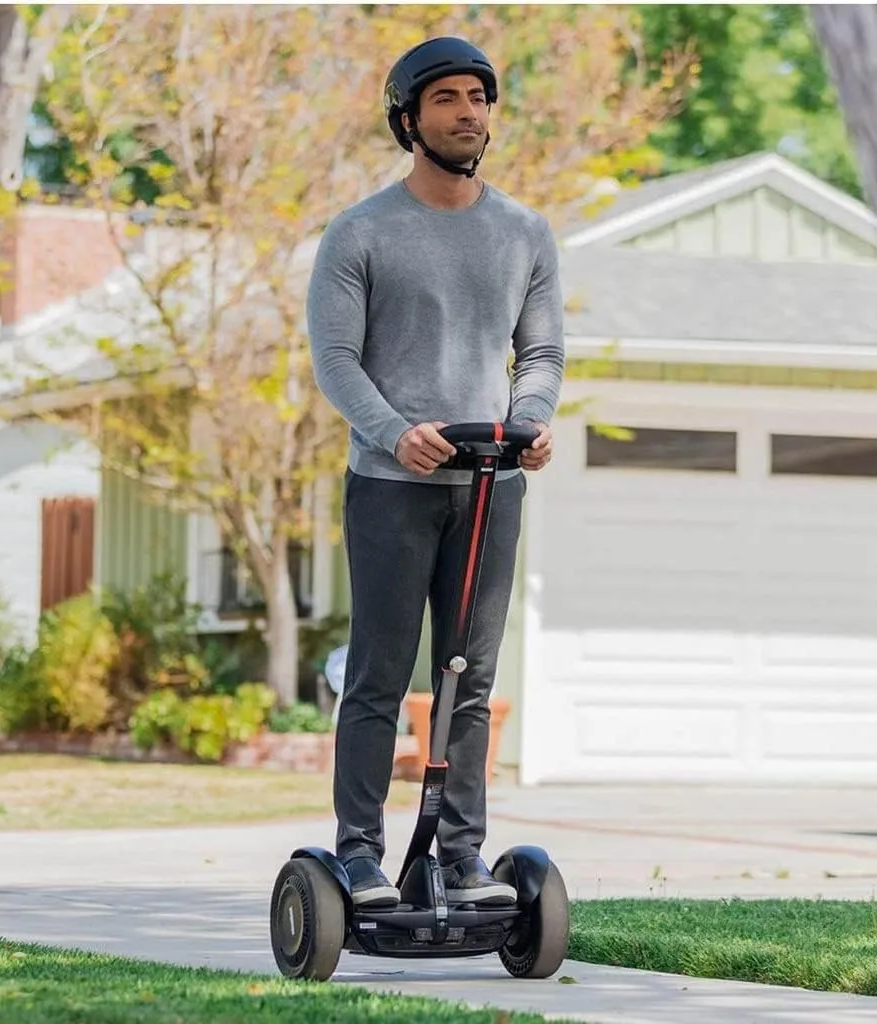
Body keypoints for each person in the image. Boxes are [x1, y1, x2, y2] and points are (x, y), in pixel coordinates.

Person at [306, 36, 565, 909]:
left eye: (479, 98)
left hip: (491, 484)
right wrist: (391, 432)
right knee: (382, 673)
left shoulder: (525, 233)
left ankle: (461, 857)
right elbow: (336, 359)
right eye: (448, 98)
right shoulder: (361, 233)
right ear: (408, 119)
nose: (468, 113)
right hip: (390, 487)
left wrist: (529, 424)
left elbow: (543, 353)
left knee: (472, 678)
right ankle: (359, 855)